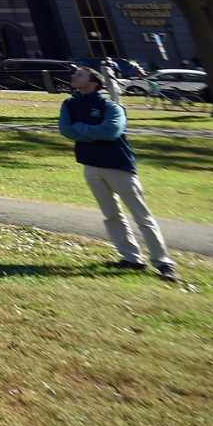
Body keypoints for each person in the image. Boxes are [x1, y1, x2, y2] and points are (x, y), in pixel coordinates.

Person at [59, 65, 178, 281]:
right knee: (111, 215)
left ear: (94, 82)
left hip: (117, 165)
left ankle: (163, 262)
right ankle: (131, 258)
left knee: (141, 215)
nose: (73, 77)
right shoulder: (69, 104)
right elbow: (66, 130)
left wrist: (82, 130)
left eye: (79, 74)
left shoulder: (111, 106)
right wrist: (90, 131)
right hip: (90, 165)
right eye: (74, 74)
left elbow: (111, 132)